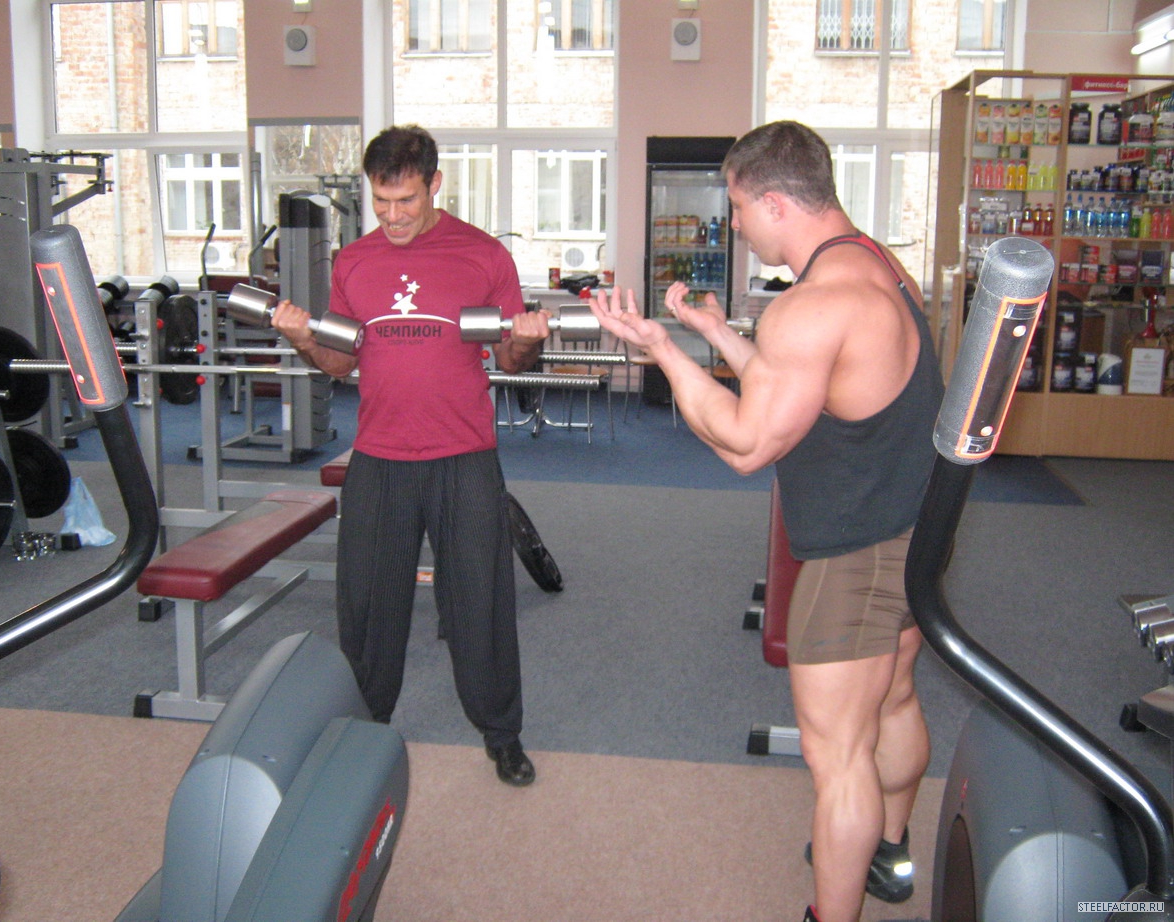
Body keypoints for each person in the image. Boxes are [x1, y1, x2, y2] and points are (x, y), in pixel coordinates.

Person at [588, 121, 944, 922]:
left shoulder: (811, 307)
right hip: (914, 532)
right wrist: (715, 333)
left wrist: (660, 349)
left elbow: (748, 444)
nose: (737, 225)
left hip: (857, 555)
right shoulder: (879, 267)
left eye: (741, 208)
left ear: (777, 203)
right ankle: (888, 851)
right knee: (891, 701)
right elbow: (807, 395)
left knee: (837, 756)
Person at [270, 124, 551, 787]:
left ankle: (502, 733)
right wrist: (302, 339)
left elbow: (510, 357)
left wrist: (528, 338)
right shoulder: (354, 263)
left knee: (480, 602)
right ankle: (362, 728)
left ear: (434, 185)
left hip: (464, 456)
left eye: (406, 200)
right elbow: (341, 361)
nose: (392, 216)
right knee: (368, 605)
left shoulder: (482, 256)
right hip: (379, 457)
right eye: (381, 201)